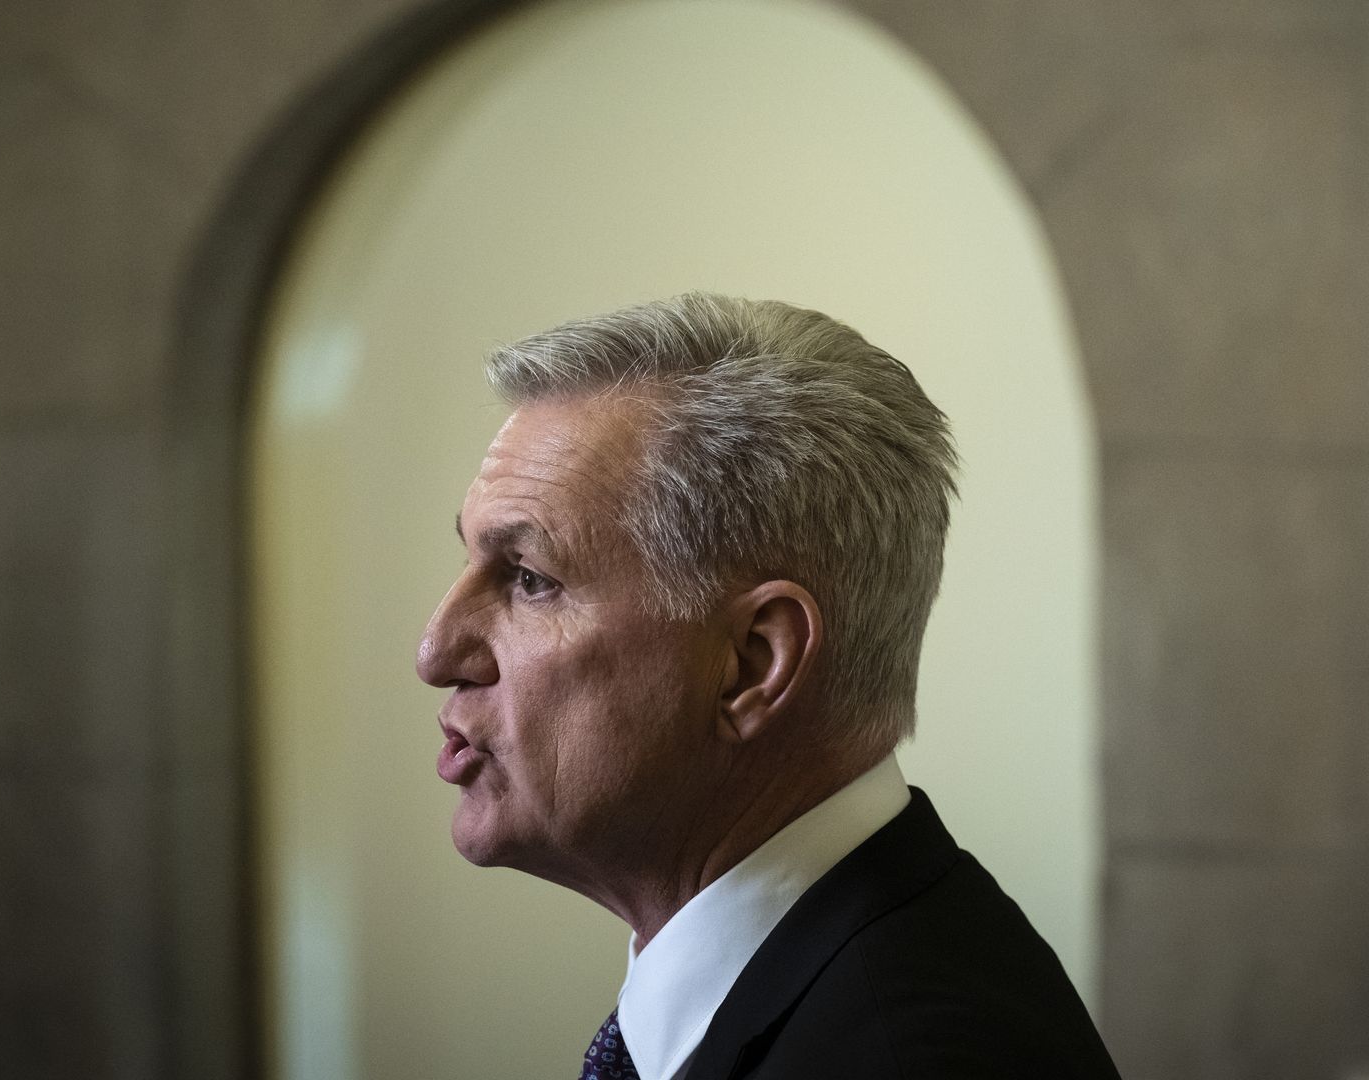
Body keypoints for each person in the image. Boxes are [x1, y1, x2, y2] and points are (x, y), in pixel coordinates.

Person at [416, 293, 1120, 1079]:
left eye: (529, 579)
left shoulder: (915, 1058)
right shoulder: (835, 973)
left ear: (753, 664)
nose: (436, 651)